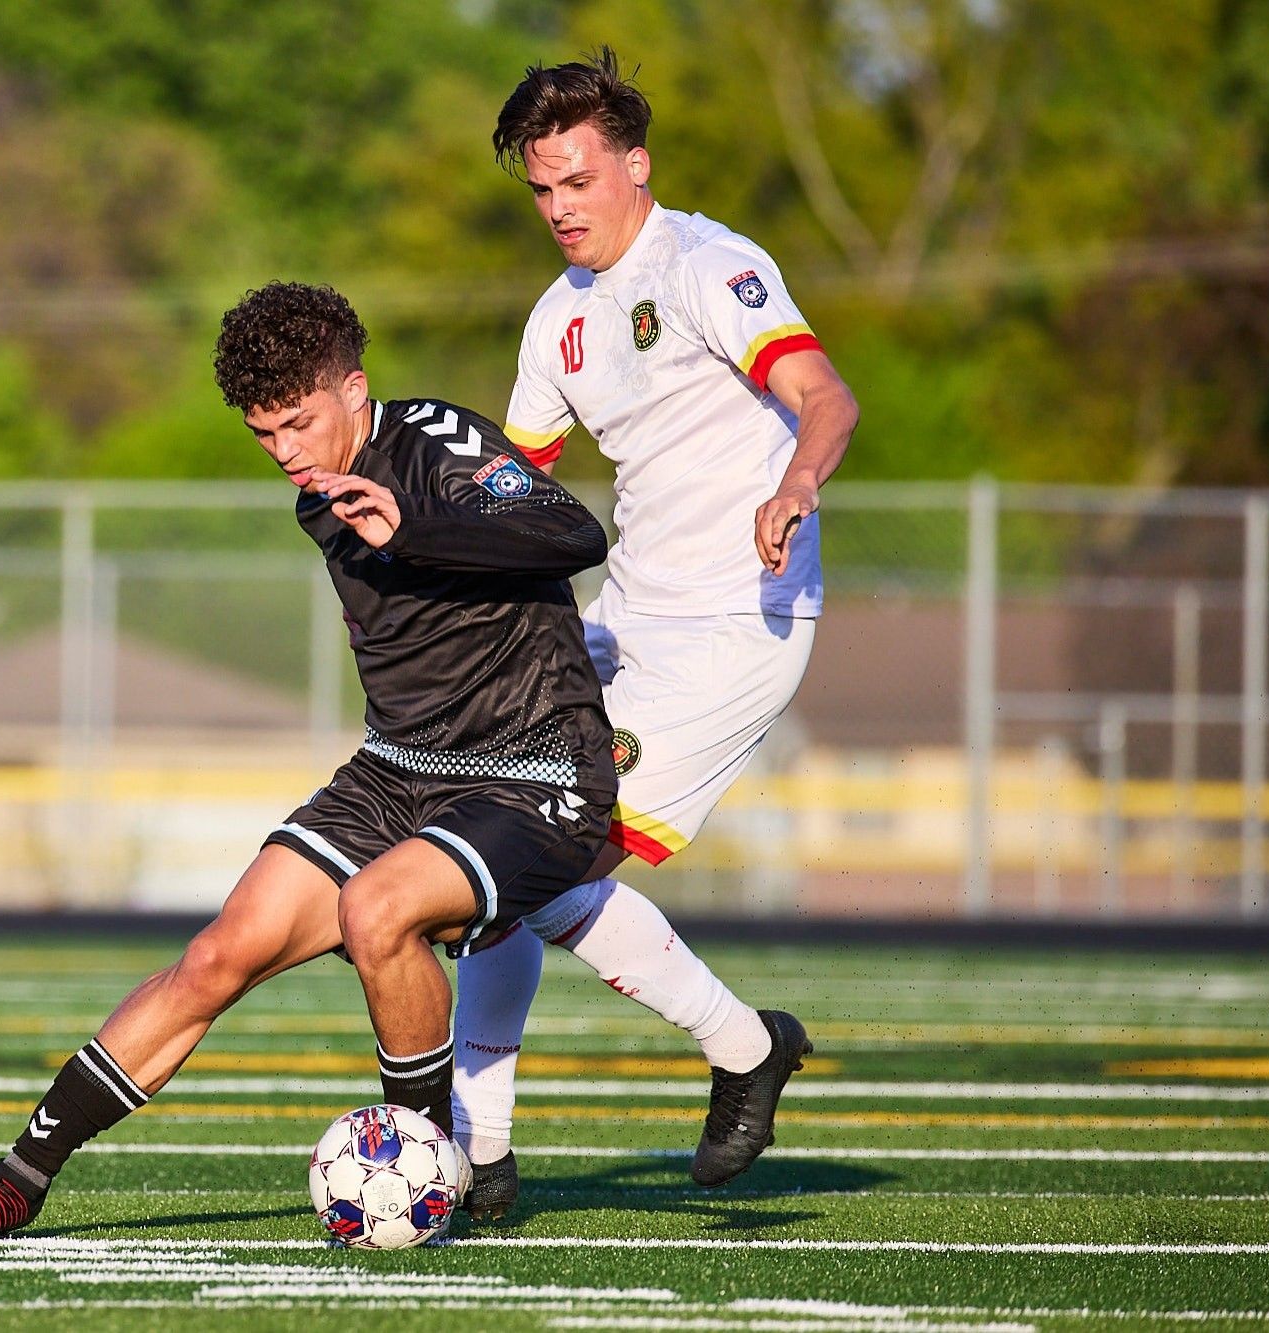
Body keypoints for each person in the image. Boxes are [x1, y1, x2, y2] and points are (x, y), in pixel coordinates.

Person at [0, 280, 615, 1240]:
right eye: (264, 434)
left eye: (299, 423)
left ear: (356, 390)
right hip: (400, 768)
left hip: (536, 768)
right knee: (214, 957)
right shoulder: (320, 495)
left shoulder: (438, 442)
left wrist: (419, 524)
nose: (284, 451)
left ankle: (429, 1148)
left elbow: (575, 532)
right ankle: (17, 1178)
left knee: (378, 910)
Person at [451, 48, 861, 1216]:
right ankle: (480, 1157)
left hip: (737, 621)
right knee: (484, 850)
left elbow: (825, 397)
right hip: (622, 618)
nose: (558, 209)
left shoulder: (706, 264)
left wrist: (794, 484)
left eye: (576, 181)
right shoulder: (555, 320)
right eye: (540, 190)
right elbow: (512, 496)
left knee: (547, 858)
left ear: (634, 165)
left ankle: (741, 1046)